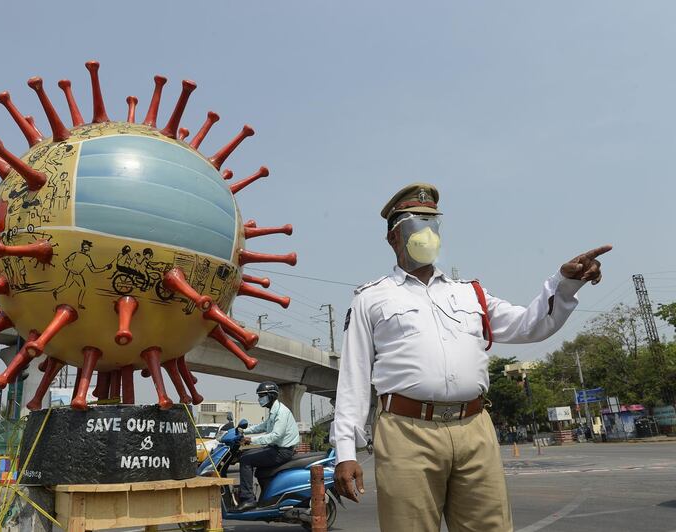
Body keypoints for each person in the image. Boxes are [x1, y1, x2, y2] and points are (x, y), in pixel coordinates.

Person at [330, 183, 611, 532]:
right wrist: (345, 451)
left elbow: (530, 325)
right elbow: (354, 379)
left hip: (475, 427)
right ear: (393, 238)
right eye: (416, 224)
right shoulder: (371, 299)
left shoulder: (471, 293)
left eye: (432, 223)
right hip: (406, 432)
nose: (426, 232)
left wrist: (565, 283)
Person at [235, 381, 300, 511]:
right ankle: (267, 499)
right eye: (259, 396)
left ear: (271, 395)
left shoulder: (281, 412)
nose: (260, 399)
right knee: (249, 458)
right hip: (276, 448)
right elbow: (263, 426)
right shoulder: (274, 411)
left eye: (262, 396)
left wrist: (250, 440)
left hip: (282, 451)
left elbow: (275, 435)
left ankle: (248, 499)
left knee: (245, 459)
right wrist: (242, 431)